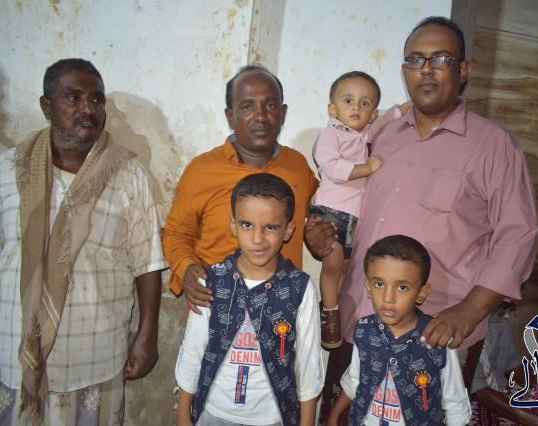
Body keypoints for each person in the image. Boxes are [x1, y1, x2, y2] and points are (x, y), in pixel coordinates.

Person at [306, 16, 538, 422]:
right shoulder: (382, 135)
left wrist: (470, 310)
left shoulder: (494, 146)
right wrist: (323, 233)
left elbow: (518, 235)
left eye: (441, 59)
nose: (426, 69)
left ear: (463, 69)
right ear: (404, 71)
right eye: (415, 60)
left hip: (437, 332)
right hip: (359, 319)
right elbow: (348, 195)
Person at [0, 58, 165, 425]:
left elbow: (147, 263)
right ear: (46, 105)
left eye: (97, 100)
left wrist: (147, 333)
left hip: (94, 354)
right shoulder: (8, 169)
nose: (88, 109)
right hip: (13, 347)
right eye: (73, 97)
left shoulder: (129, 175)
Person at [163, 65, 318, 313]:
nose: (260, 116)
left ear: (283, 113)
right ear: (230, 116)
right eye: (247, 107)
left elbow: (319, 210)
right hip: (216, 308)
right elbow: (176, 233)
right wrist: (187, 268)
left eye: (270, 106)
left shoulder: (298, 167)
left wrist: (318, 231)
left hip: (281, 311)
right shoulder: (202, 170)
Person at [175, 173, 323, 426]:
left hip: (272, 418)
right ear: (233, 225)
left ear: (288, 230)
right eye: (247, 225)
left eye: (271, 227)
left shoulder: (299, 288)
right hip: (214, 414)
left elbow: (308, 363)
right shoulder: (210, 281)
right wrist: (182, 416)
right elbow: (193, 351)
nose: (257, 239)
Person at [310, 71, 410, 349]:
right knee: (333, 262)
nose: (356, 107)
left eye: (365, 103)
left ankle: (332, 303)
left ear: (372, 113)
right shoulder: (331, 134)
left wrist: (407, 107)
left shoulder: (367, 133)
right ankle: (330, 314)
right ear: (333, 109)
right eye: (348, 100)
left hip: (355, 216)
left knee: (345, 267)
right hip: (330, 210)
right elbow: (333, 168)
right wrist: (367, 168)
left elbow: (388, 118)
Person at [327, 235, 471, 425]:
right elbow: (354, 379)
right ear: (368, 287)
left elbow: (455, 402)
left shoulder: (437, 337)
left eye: (402, 287)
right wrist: (334, 415)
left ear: (421, 293)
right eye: (379, 284)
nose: (388, 298)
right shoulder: (364, 330)